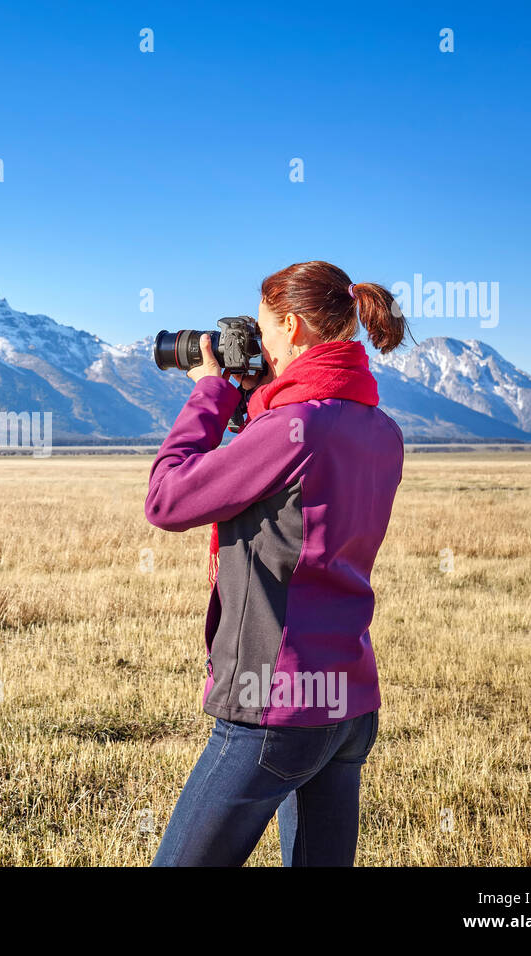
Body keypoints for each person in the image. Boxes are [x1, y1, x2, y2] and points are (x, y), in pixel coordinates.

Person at [145, 260, 408, 866]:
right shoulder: (381, 429)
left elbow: (167, 499)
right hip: (347, 701)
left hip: (275, 700)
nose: (257, 347)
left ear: (290, 325)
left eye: (262, 332)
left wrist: (211, 391)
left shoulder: (294, 426)